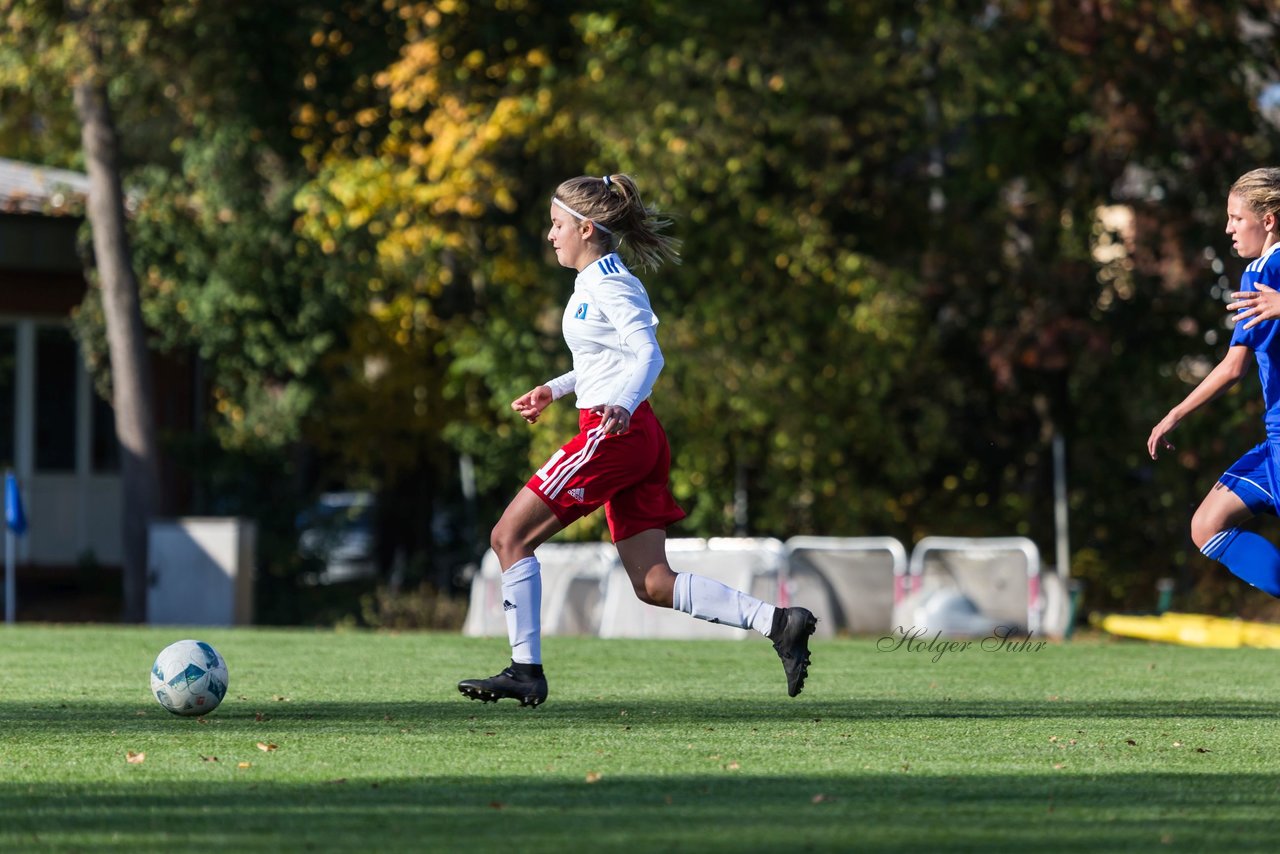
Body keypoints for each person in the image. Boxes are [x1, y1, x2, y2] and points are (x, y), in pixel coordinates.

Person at [457, 174, 817, 707]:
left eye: (557, 225)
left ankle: (525, 669)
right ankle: (780, 622)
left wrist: (621, 406)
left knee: (509, 539)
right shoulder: (592, 282)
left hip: (615, 433)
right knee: (652, 583)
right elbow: (606, 361)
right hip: (631, 431)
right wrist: (554, 390)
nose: (550, 236)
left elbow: (649, 355)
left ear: (585, 228)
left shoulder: (609, 283)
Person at [1148, 167, 1280, 598]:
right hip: (1274, 441)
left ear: (1268, 220)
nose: (1228, 229)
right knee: (1207, 525)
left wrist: (1173, 414)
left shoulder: (1262, 273)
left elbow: (1233, 367)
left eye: (1236, 218)